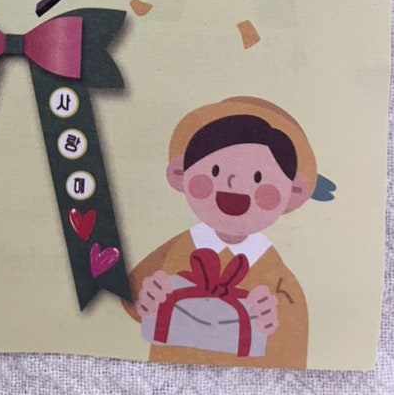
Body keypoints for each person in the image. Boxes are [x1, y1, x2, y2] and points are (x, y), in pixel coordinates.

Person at [123, 96, 316, 368]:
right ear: (180, 173)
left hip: (248, 377)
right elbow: (127, 295)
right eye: (215, 171)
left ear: (293, 193)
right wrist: (146, 297)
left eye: (258, 178)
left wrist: (273, 318)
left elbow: (295, 336)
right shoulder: (178, 249)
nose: (234, 185)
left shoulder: (273, 269)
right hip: (169, 366)